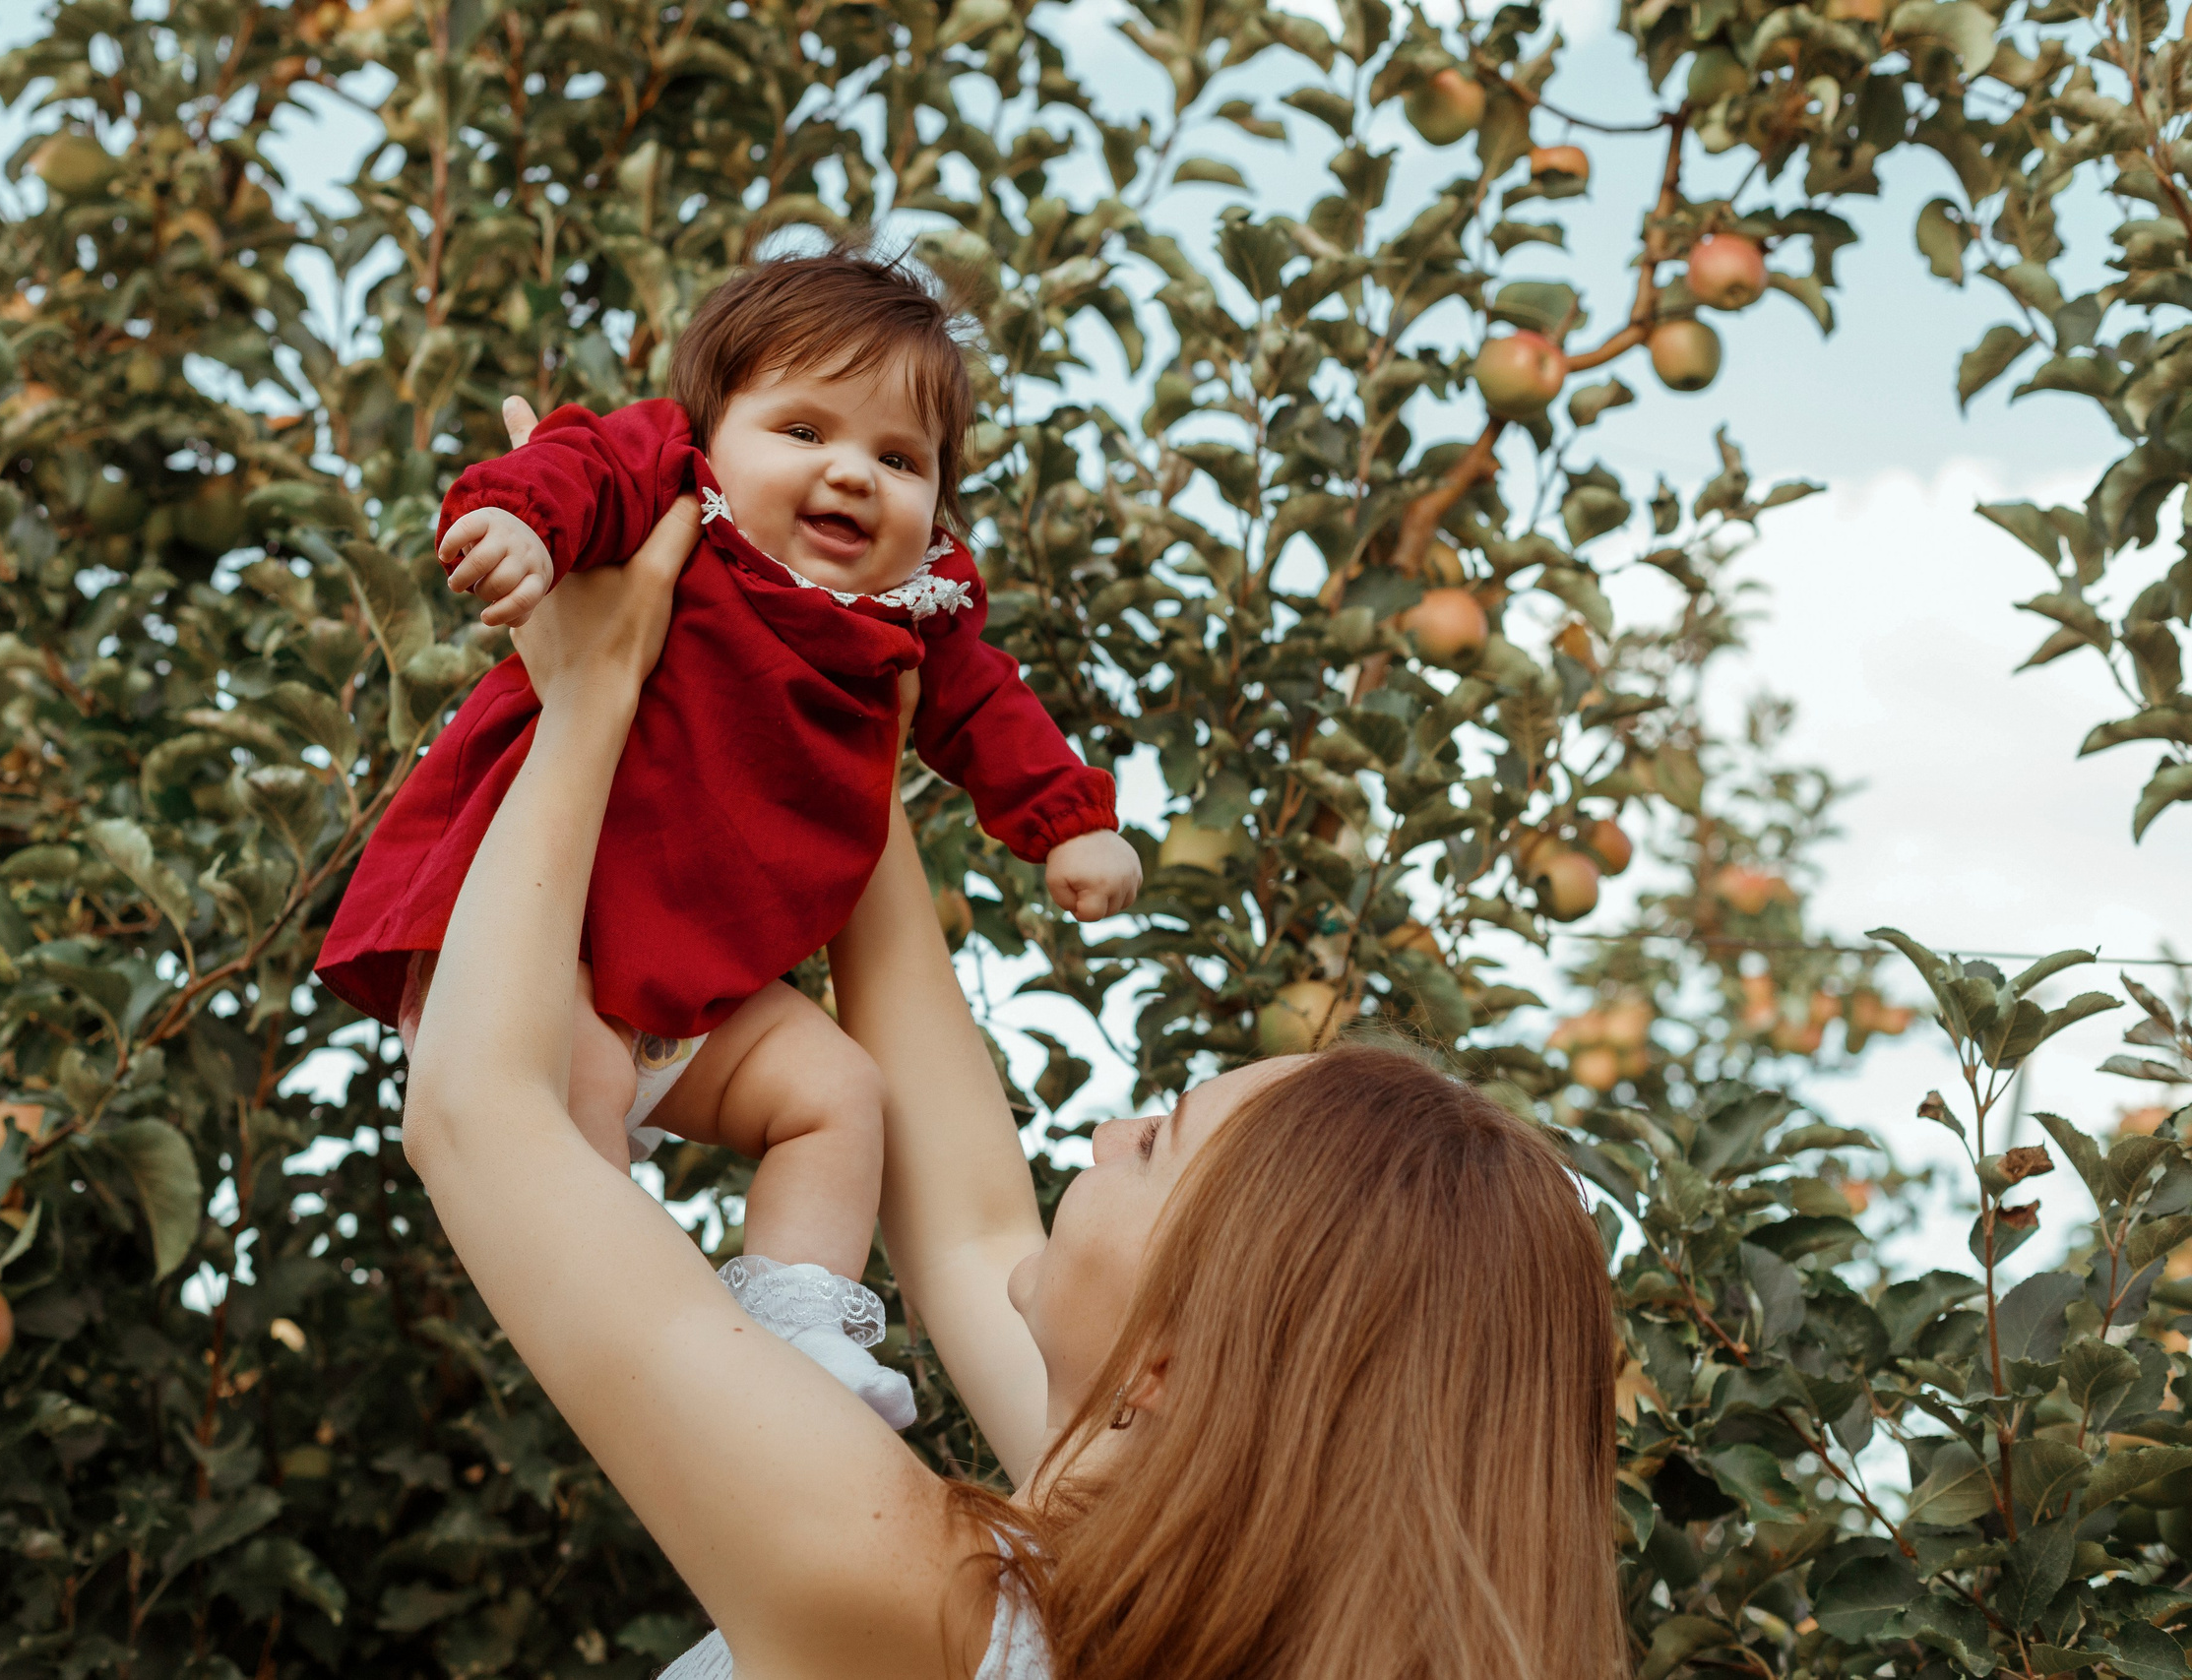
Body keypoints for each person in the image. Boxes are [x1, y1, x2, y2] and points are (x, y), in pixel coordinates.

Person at [399, 503, 1631, 1680]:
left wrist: (592, 689)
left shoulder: (916, 1607)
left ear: (1165, 1364)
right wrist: (840, 710)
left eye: (1155, 1145)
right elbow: (974, 1222)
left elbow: (483, 1114)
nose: (1103, 1131)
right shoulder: (1116, 1609)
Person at [321, 251, 1142, 1424]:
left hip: (696, 986)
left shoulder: (919, 609)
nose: (852, 474)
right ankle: (648, 1354)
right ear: (713, 432)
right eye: (803, 430)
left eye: (900, 460)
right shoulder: (672, 489)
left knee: (839, 1093)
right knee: (576, 1105)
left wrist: (1069, 824)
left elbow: (987, 712)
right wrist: (519, 524)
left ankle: (799, 1331)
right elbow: (571, 464)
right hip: (550, 943)